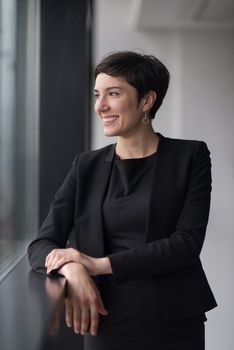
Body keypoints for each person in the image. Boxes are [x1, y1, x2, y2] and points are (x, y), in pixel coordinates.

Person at [28, 50, 217, 350]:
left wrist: (97, 264)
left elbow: (186, 244)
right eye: (96, 95)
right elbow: (41, 245)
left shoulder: (190, 156)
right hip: (104, 320)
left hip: (174, 324)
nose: (100, 106)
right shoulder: (85, 166)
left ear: (146, 100)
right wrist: (73, 269)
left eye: (113, 94)